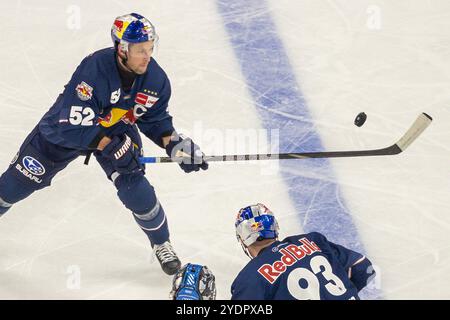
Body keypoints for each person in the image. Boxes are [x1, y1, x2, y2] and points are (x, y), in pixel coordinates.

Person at [0, 13, 208, 276]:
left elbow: (155, 120)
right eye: (140, 50)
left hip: (116, 130)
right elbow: (74, 124)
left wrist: (175, 144)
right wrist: (111, 147)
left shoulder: (156, 80)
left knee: (135, 188)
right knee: (12, 187)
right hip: (64, 132)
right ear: (122, 49)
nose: (147, 56)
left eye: (150, 48)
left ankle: (161, 243)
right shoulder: (94, 70)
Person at [232, 203, 376, 300]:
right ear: (275, 228)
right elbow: (363, 268)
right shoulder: (312, 240)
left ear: (243, 239)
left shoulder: (249, 278)